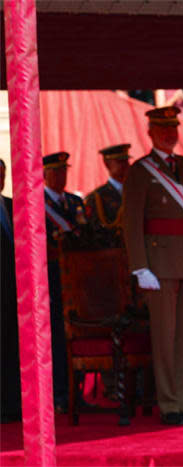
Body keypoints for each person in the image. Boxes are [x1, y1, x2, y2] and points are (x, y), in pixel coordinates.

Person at [123, 107, 183, 425]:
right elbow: (132, 223)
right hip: (158, 264)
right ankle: (169, 405)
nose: (169, 133)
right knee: (165, 336)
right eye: (163, 128)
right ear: (150, 132)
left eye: (173, 128)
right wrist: (140, 267)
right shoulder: (140, 171)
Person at [43, 151, 87, 413]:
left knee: (77, 334)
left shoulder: (74, 202)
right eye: (55, 171)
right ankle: (60, 392)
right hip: (54, 281)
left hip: (78, 281)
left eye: (63, 171)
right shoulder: (37, 203)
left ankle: (76, 391)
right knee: (57, 337)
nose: (61, 176)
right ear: (45, 175)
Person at [1, 159, 21, 422]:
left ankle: (12, 403)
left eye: (3, 175)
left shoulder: (12, 206)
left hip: (14, 291)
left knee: (12, 349)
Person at [84, 144, 132, 243]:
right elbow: (94, 231)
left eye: (126, 161)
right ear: (107, 164)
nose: (125, 165)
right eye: (120, 162)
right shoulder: (96, 198)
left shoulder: (138, 191)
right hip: (112, 252)